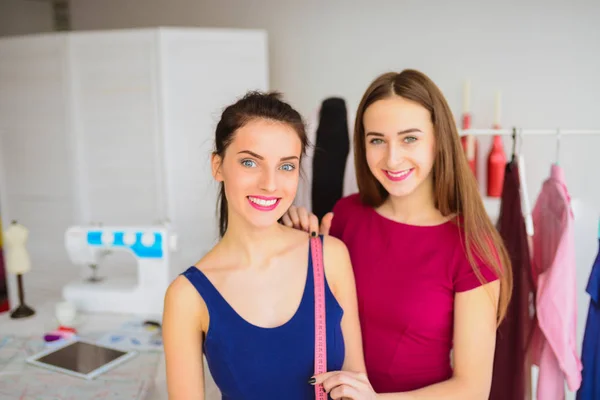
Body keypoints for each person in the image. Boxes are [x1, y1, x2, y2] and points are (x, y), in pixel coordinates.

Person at [281, 70, 513, 399]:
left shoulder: (471, 244)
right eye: (377, 140)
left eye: (409, 138)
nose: (392, 158)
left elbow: (471, 389)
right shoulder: (346, 216)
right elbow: (313, 322)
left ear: (438, 140)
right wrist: (294, 248)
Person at [162, 91, 366, 399]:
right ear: (217, 166)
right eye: (249, 162)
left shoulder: (330, 256)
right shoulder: (186, 296)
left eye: (286, 166)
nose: (270, 184)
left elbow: (357, 384)